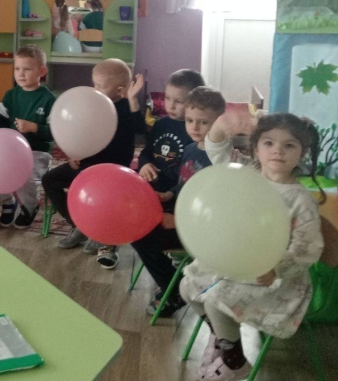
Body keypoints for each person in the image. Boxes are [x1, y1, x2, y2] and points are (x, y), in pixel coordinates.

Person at [180, 113, 324, 381]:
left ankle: (234, 361)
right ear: (256, 148)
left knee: (215, 299)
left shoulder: (301, 200)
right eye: (269, 143)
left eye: (289, 145)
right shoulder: (246, 172)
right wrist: (222, 123)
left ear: (302, 153)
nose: (278, 151)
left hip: (275, 279)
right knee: (187, 286)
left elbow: (307, 249)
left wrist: (276, 269)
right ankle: (223, 338)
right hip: (237, 263)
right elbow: (217, 148)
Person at [132, 87, 226, 318]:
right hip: (181, 212)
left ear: (219, 123)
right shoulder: (192, 149)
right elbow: (185, 184)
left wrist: (178, 220)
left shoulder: (220, 158)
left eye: (203, 122)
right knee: (136, 222)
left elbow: (216, 207)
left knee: (142, 238)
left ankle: (175, 291)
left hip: (200, 229)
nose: (194, 127)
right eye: (190, 120)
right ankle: (174, 283)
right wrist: (169, 194)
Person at [45, 58, 144, 269]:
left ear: (119, 90)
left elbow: (141, 131)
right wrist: (75, 154)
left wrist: (133, 100)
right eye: (94, 84)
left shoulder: (126, 108)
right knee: (50, 180)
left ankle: (105, 238)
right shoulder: (90, 104)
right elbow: (80, 132)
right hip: (86, 166)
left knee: (110, 201)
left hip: (111, 173)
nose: (95, 89)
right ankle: (81, 225)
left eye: (100, 86)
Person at [0, 45, 57, 229]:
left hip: (37, 152)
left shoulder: (49, 99)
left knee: (25, 178)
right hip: (10, 150)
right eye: (17, 68)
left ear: (41, 72)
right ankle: (8, 202)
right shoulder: (11, 95)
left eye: (27, 69)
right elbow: (1, 125)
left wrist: (34, 127)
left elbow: (55, 133)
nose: (20, 73)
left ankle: (30, 206)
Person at [136, 69, 206, 196]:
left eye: (178, 101)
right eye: (167, 98)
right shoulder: (160, 124)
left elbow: (192, 169)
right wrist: (144, 164)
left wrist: (169, 191)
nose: (171, 106)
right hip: (150, 184)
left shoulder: (195, 130)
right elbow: (146, 152)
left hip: (177, 191)